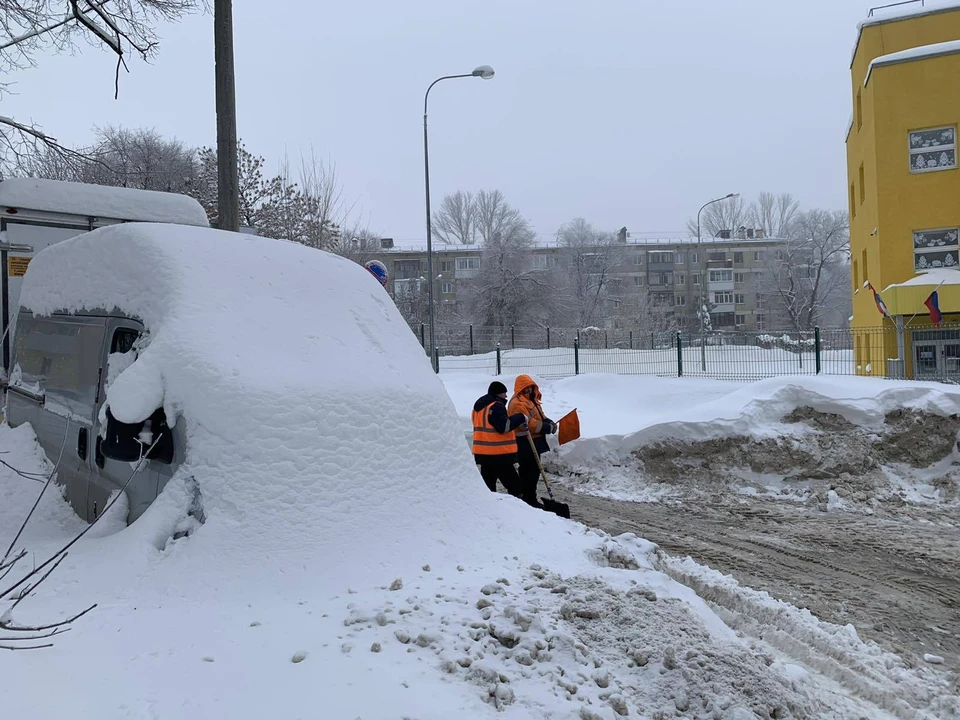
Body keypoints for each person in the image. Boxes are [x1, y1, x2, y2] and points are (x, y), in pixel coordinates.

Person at [508, 374, 557, 507]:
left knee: (535, 471)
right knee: (528, 471)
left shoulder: (532, 401)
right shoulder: (517, 404)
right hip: (525, 442)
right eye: (526, 388)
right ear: (520, 388)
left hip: (535, 441)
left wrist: (548, 421)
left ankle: (530, 497)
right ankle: (527, 498)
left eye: (531, 388)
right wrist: (545, 427)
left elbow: (539, 416)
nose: (529, 390)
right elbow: (528, 424)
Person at [472, 381, 528, 496]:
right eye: (504, 393)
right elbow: (504, 426)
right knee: (515, 487)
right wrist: (520, 417)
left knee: (488, 488)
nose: (506, 396)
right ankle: (518, 510)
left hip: (483, 454)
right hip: (498, 455)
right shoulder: (496, 406)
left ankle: (489, 509)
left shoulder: (479, 407)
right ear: (498, 394)